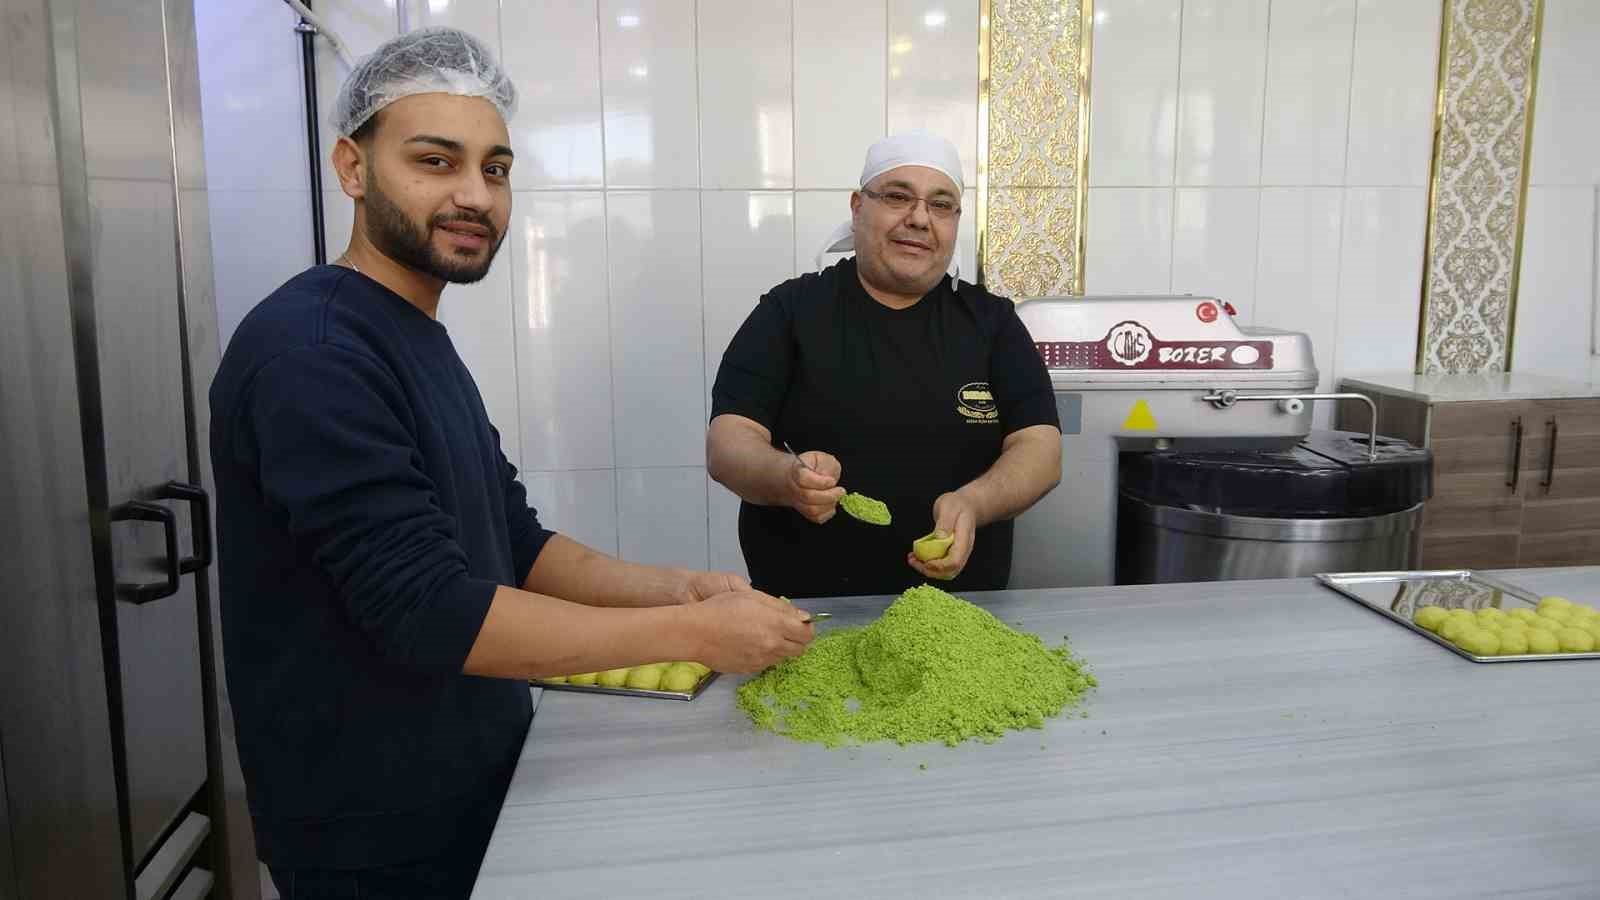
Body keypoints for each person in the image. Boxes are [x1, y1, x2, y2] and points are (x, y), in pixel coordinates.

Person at [208, 28, 813, 900]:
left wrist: (680, 590)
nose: (474, 195)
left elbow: (515, 542)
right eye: (435, 161)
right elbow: (429, 612)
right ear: (352, 167)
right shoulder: (315, 353)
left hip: (471, 776)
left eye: (494, 169)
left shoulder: (412, 335)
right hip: (371, 822)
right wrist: (693, 636)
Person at [707, 131, 1063, 599]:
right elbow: (728, 443)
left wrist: (975, 502)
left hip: (962, 612)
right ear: (858, 207)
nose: (919, 218)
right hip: (802, 611)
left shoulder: (992, 322)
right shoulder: (790, 312)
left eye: (941, 205)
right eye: (898, 197)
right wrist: (786, 478)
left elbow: (1041, 449)